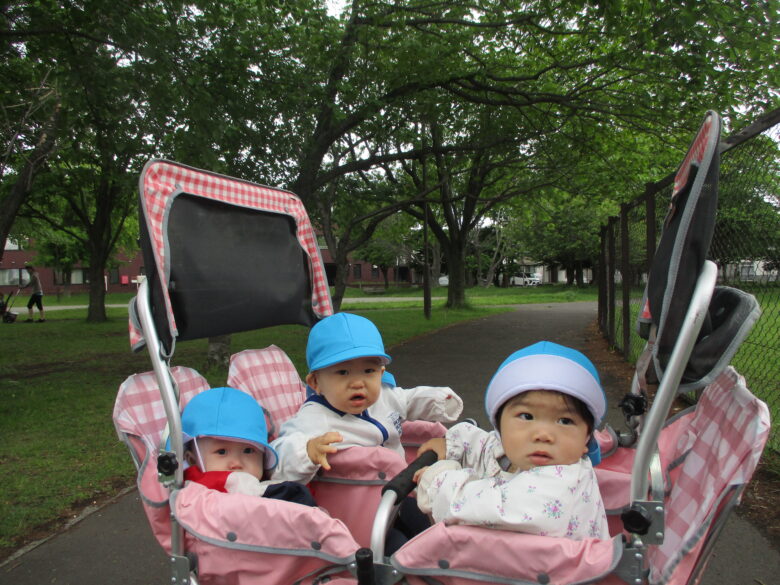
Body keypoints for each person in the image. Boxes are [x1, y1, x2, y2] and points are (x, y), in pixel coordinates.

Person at [414, 341, 610, 540]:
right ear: (499, 427)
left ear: (587, 437)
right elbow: (489, 448)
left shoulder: (559, 484)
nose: (543, 435)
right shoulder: (516, 453)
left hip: (547, 571)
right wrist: (453, 445)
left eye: (565, 421)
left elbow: (469, 507)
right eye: (526, 416)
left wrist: (437, 478)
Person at [271, 312, 464, 484]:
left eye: (368, 370)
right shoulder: (315, 419)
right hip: (352, 503)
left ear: (381, 373)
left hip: (399, 486)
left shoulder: (385, 397)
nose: (357, 383)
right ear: (315, 383)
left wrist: (439, 400)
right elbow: (278, 453)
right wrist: (307, 451)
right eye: (343, 372)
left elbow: (408, 400)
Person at [180, 386, 316, 506]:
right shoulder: (206, 486)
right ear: (192, 460)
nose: (237, 463)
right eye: (221, 452)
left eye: (248, 450)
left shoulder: (260, 481)